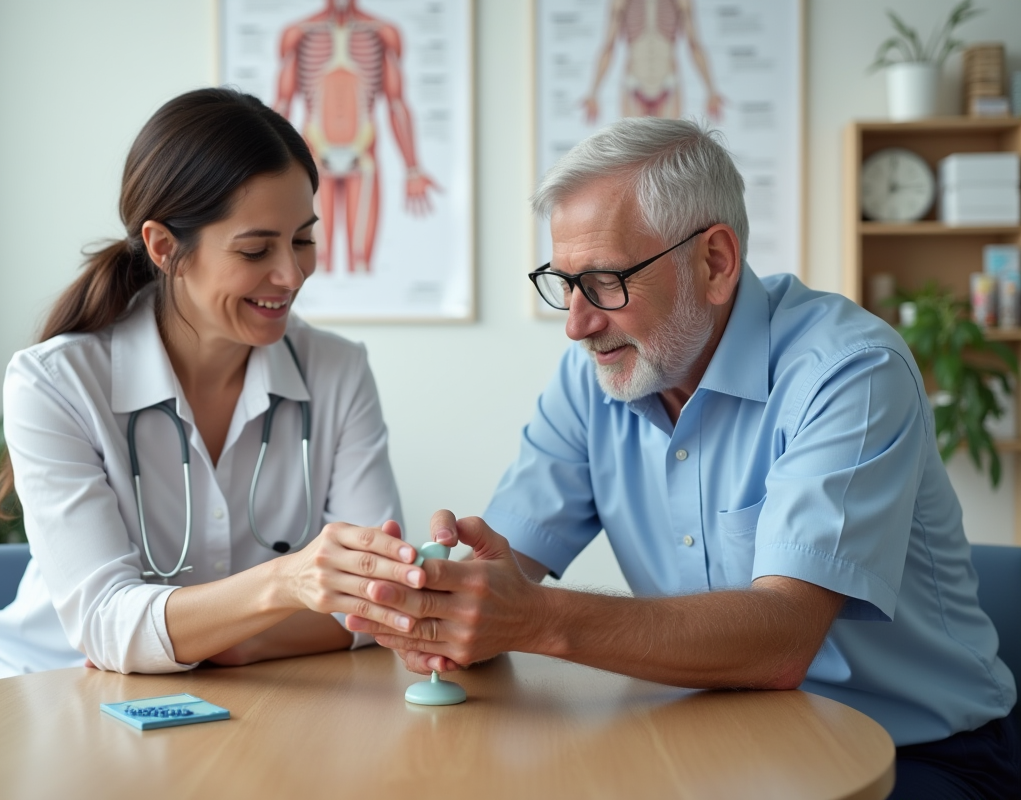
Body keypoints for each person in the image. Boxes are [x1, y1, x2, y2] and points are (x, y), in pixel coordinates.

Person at [346, 118, 1021, 797]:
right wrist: (440, 604)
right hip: (710, 738)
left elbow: (782, 638)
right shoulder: (595, 379)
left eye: (606, 281)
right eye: (565, 282)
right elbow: (505, 569)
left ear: (715, 263)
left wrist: (531, 618)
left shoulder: (850, 372)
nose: (576, 323)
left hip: (918, 755)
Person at [0, 88, 428, 679]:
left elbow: (380, 603)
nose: (291, 274)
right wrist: (286, 586)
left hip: (242, 699)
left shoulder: (337, 371)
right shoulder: (55, 385)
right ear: (165, 248)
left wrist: (229, 639)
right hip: (53, 697)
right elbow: (106, 627)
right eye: (255, 248)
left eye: (303, 239)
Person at [273, 0, 439, 273]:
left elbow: (397, 104)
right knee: (318, 261)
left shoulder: (384, 32)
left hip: (363, 152)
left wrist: (412, 169)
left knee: (361, 261)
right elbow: (281, 105)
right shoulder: (297, 33)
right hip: (315, 152)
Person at [582, 0, 723, 123]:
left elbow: (694, 44)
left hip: (668, 84)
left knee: (669, 148)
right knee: (633, 149)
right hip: (634, 84)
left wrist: (711, 90)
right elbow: (608, 46)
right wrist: (593, 92)